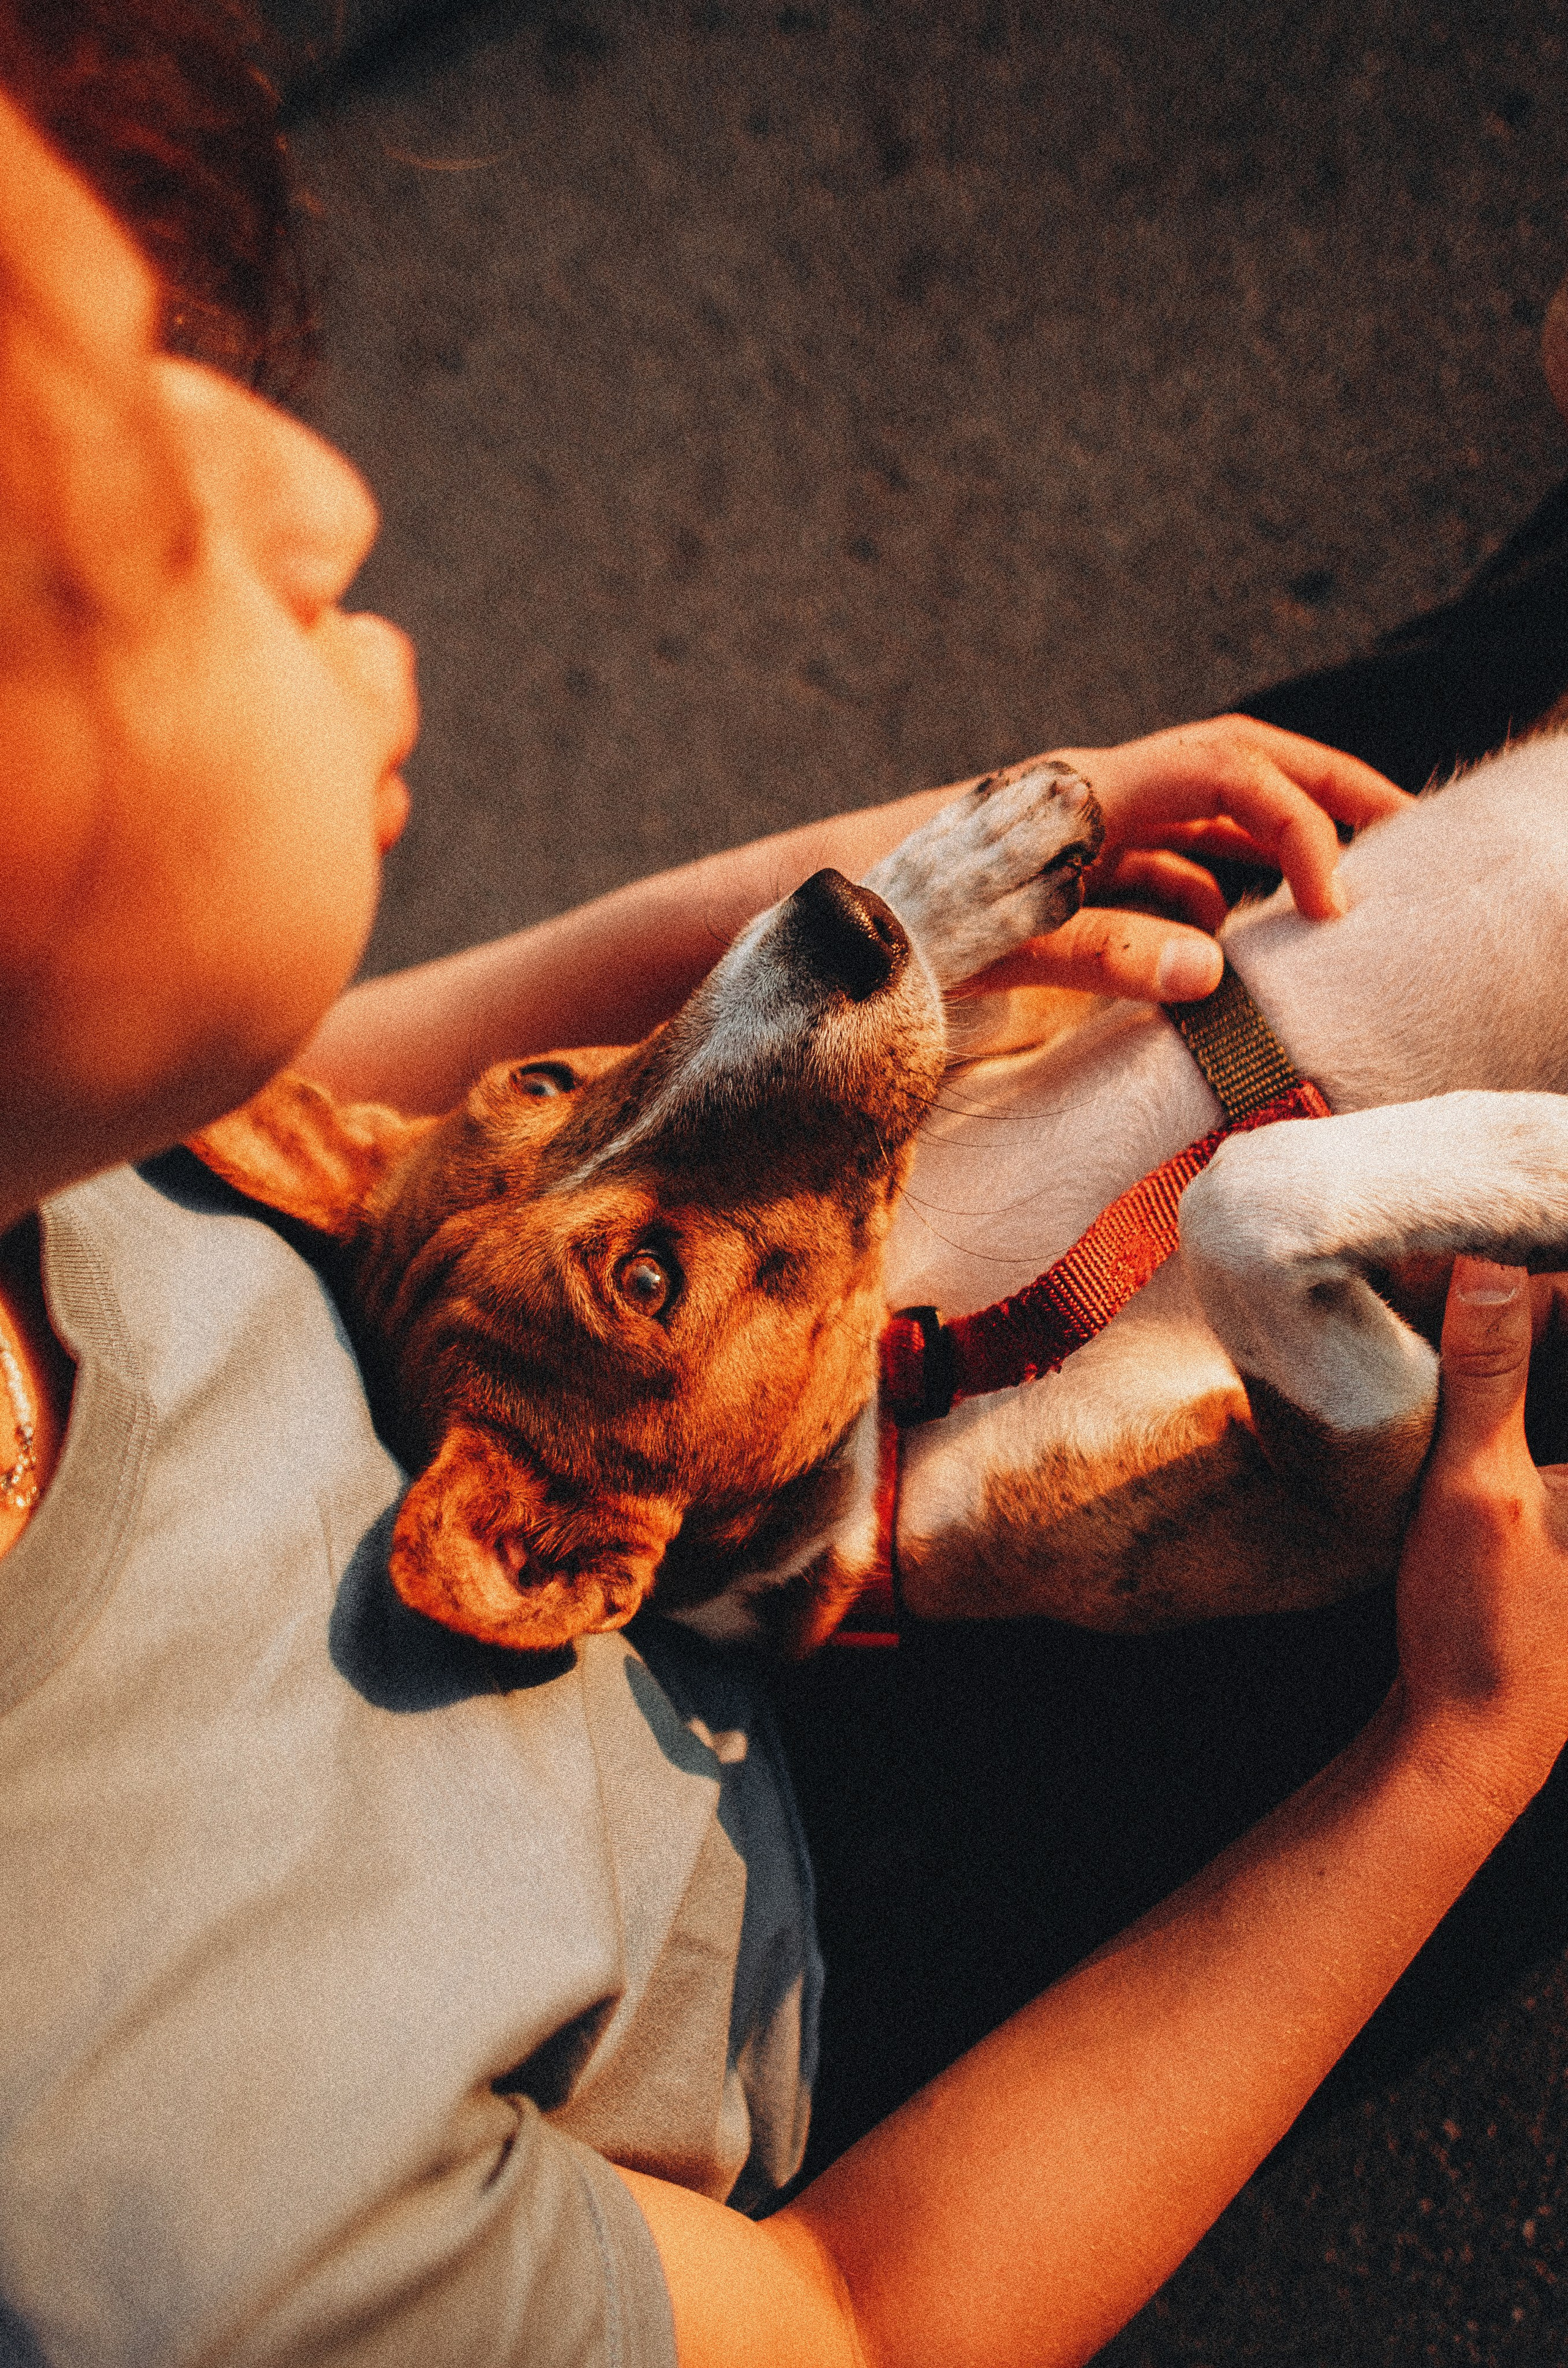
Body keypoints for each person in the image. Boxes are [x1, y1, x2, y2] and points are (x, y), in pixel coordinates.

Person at [2, 9, 1566, 2364]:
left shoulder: (69, 1104)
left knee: (1400, 840)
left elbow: (326, 1092)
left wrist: (928, 877)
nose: (310, 494)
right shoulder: (147, 2202)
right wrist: (1443, 1765)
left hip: (679, 1310)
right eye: (121, 523)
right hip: (897, 1910)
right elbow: (860, 2311)